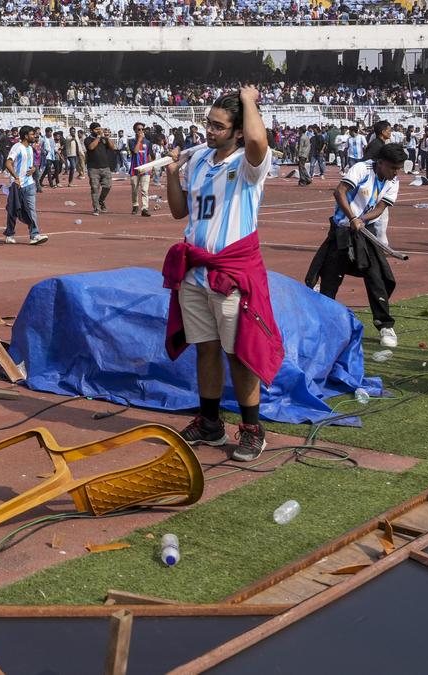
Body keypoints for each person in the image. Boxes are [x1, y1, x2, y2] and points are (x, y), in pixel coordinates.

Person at [163, 86, 276, 462]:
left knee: (239, 352)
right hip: (195, 272)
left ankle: (251, 428)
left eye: (219, 126)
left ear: (238, 131)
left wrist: (248, 100)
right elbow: (180, 212)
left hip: (232, 272)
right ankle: (210, 422)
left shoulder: (249, 162)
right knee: (206, 348)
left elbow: (259, 138)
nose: (209, 131)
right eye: (208, 124)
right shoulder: (198, 160)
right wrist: (171, 174)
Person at [304, 144, 405, 348]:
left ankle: (384, 325)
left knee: (377, 275)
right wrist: (352, 217)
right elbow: (339, 192)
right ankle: (323, 323)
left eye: (399, 168)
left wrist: (361, 219)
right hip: (341, 231)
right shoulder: (361, 169)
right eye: (393, 167)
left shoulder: (393, 181)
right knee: (330, 278)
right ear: (381, 163)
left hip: (362, 233)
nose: (396, 172)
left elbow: (380, 207)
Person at [2, 125, 48, 246]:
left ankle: (34, 235)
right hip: (17, 185)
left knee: (31, 210)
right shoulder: (17, 147)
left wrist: (33, 169)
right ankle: (10, 234)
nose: (35, 136)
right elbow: (8, 163)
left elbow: (30, 164)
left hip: (30, 184)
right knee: (13, 210)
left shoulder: (30, 148)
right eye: (32, 134)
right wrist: (16, 177)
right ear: (26, 136)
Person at [85, 122, 117, 216]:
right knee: (95, 188)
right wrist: (98, 137)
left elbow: (112, 147)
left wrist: (107, 137)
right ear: (91, 130)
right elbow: (91, 147)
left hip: (105, 167)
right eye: (96, 129)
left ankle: (101, 200)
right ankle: (96, 208)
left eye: (100, 128)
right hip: (93, 168)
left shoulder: (104, 139)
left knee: (108, 186)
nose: (99, 131)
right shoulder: (88, 139)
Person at [128, 122, 152, 217]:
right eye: (139, 129)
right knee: (134, 189)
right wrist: (139, 140)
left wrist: (151, 168)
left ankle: (145, 208)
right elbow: (135, 151)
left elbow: (149, 155)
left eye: (142, 129)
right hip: (135, 169)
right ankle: (135, 205)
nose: (141, 131)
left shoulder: (148, 142)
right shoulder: (131, 141)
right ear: (135, 131)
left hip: (145, 169)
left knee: (145, 190)